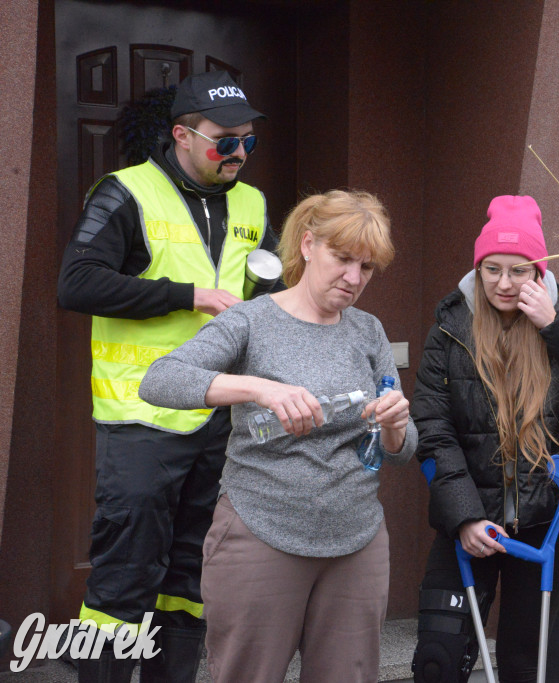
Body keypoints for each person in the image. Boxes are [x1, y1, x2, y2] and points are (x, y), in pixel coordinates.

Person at [139, 189, 416, 683]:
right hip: (260, 532)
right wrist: (258, 387)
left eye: (367, 268)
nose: (353, 279)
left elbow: (398, 450)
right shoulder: (251, 320)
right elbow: (160, 379)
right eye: (343, 258)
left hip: (356, 540)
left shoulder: (368, 331)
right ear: (308, 244)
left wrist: (395, 426)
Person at [56, 70, 275, 683]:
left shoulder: (253, 204)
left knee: (192, 578)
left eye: (248, 142)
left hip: (217, 418)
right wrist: (189, 295)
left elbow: (273, 293)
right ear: (182, 135)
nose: (238, 153)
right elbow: (76, 284)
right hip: (140, 420)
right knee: (125, 577)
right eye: (224, 141)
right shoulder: (125, 192)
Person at [410, 195, 559, 683]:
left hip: (543, 527)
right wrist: (465, 517)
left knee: (521, 666)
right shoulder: (450, 328)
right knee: (437, 659)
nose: (504, 284)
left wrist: (556, 327)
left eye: (519, 270)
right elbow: (433, 428)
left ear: (538, 271)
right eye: (492, 269)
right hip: (468, 519)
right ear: (478, 267)